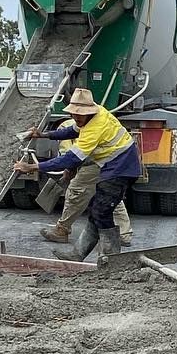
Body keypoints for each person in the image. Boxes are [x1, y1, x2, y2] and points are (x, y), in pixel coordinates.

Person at [17, 88, 140, 262]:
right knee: (98, 211)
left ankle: (111, 258)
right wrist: (43, 134)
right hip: (113, 165)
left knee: (102, 212)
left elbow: (70, 158)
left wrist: (32, 167)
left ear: (89, 112)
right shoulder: (91, 117)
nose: (76, 118)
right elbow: (72, 131)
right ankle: (78, 254)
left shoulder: (95, 127)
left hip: (121, 168)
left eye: (79, 115)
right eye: (74, 114)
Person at [37, 134, 132, 247]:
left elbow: (70, 156)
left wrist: (69, 168)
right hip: (112, 161)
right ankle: (123, 234)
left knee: (76, 192)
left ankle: (62, 230)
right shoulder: (97, 122)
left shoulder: (66, 127)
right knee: (110, 197)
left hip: (95, 163)